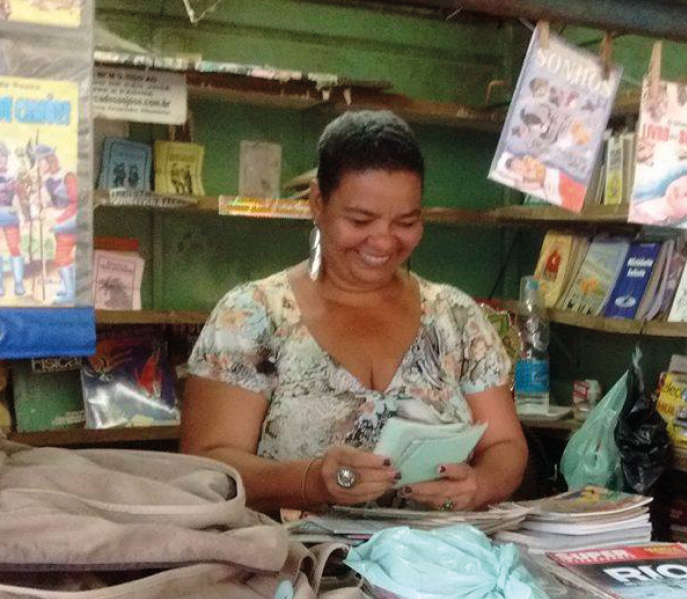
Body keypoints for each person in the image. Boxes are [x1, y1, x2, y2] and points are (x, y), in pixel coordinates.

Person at [181, 110, 525, 513]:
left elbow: (505, 445)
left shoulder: (456, 317)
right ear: (318, 202)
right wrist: (312, 480)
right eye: (361, 220)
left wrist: (478, 486)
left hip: (437, 550)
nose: (383, 241)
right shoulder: (251, 317)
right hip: (294, 552)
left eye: (406, 222)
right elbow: (207, 466)